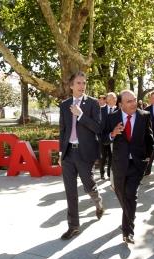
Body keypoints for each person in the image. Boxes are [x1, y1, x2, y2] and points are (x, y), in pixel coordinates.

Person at [58, 71, 105, 240]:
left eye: (84, 83)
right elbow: (62, 130)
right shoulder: (64, 105)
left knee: (88, 185)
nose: (82, 86)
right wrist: (61, 152)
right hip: (69, 153)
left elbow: (98, 128)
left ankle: (97, 201)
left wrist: (81, 115)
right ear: (71, 86)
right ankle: (74, 226)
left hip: (85, 153)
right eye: (78, 83)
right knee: (70, 191)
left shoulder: (92, 103)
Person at [104, 89, 154, 244]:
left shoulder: (144, 116)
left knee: (130, 195)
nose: (134, 103)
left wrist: (148, 159)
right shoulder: (112, 117)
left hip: (137, 164)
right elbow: (103, 139)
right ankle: (128, 218)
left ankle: (128, 231)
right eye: (129, 101)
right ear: (120, 104)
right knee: (122, 194)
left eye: (134, 100)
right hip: (119, 164)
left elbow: (149, 139)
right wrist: (112, 134)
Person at [99, 92, 118, 180]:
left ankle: (109, 174)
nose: (114, 100)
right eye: (111, 98)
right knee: (102, 156)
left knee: (112, 156)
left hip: (114, 137)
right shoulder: (100, 110)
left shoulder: (119, 110)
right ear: (107, 100)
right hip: (102, 137)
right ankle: (102, 173)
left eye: (114, 98)